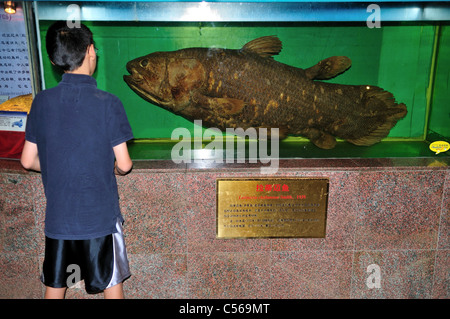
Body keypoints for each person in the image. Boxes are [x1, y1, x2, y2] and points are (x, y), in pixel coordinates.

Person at [20, 21, 134, 299]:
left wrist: (57, 167)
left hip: (59, 221)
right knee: (111, 284)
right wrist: (113, 169)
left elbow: (27, 160)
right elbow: (125, 164)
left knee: (56, 287)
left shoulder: (42, 102)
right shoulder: (109, 102)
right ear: (91, 51)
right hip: (100, 219)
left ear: (52, 59)